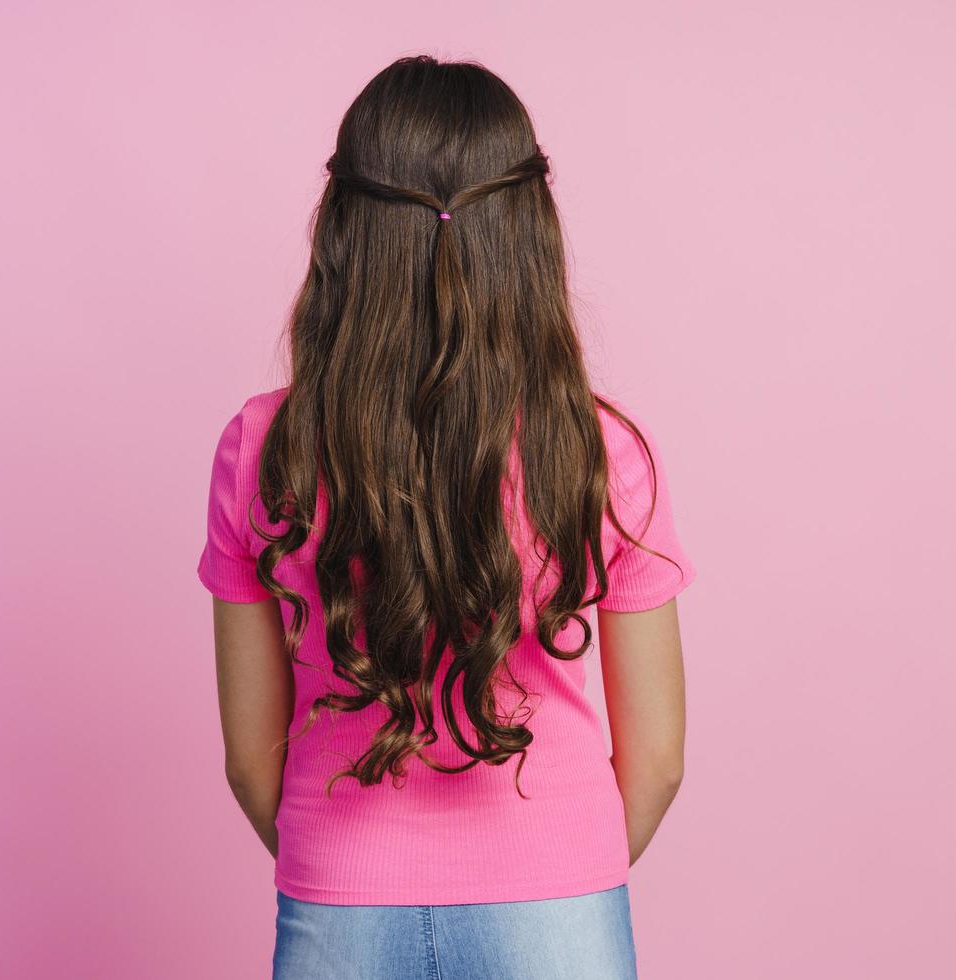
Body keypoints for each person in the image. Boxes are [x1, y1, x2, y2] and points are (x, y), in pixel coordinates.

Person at [196, 53, 696, 980]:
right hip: (559, 911)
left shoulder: (263, 449)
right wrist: (558, 868)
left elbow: (248, 760)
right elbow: (658, 759)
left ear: (343, 230)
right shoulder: (599, 452)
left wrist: (346, 865)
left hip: (339, 904)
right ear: (527, 234)